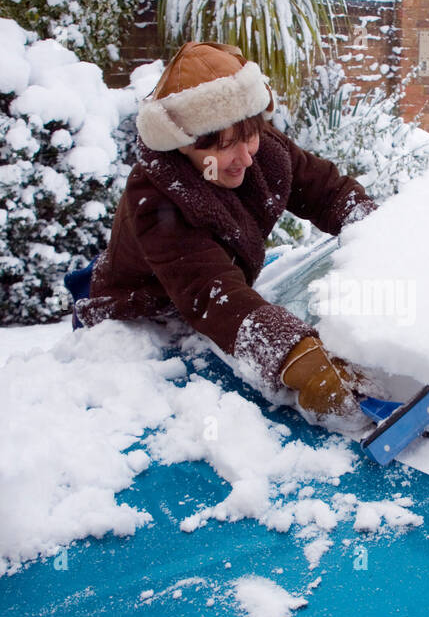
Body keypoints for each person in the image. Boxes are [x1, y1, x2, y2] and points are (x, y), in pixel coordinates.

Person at [76, 41, 377, 421]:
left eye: (249, 136)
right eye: (225, 147)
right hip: (147, 318)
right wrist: (299, 357)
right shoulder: (155, 198)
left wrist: (377, 230)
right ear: (183, 145)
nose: (247, 157)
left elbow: (326, 191)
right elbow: (212, 292)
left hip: (217, 303)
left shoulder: (262, 150)